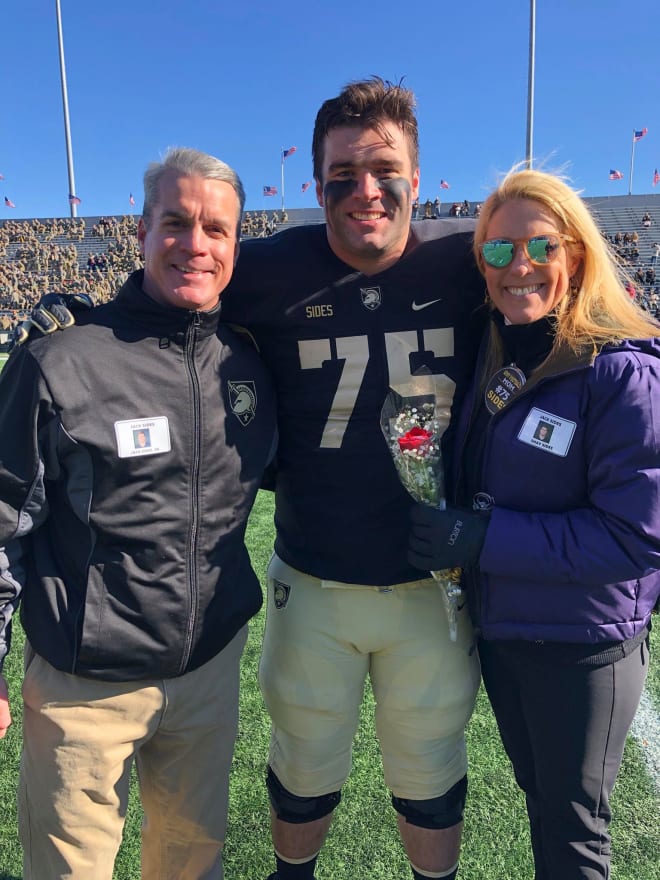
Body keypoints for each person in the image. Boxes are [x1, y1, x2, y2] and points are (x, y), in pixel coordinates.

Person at [16, 78, 486, 880]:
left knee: (426, 770)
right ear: (317, 184)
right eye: (342, 175)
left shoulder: (469, 254)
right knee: (298, 768)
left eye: (385, 169)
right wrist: (87, 318)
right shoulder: (264, 268)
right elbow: (169, 295)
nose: (365, 191)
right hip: (306, 575)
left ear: (418, 170)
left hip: (426, 581)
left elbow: (568, 289)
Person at [0, 147, 277, 880]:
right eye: (176, 223)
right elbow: (2, 517)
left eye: (216, 229)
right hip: (84, 687)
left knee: (193, 867)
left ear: (235, 245)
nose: (196, 243)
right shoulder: (62, 359)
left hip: (208, 670)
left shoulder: (248, 364)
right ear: (141, 231)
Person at [407, 168, 660, 879]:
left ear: (577, 254)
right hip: (510, 633)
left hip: (582, 647)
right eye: (496, 251)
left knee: (575, 832)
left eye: (540, 247)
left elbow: (634, 537)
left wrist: (485, 538)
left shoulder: (619, 372)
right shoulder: (502, 351)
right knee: (544, 808)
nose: (517, 267)